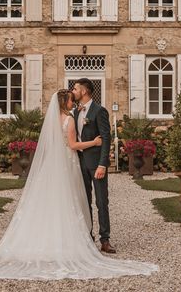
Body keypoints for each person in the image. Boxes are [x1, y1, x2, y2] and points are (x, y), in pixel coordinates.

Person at [0, 89, 157, 280]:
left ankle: (54, 239)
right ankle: (72, 241)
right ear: (66, 103)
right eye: (72, 100)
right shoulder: (70, 119)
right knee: (69, 200)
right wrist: (95, 142)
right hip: (69, 162)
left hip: (56, 164)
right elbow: (72, 144)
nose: (75, 102)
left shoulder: (56, 118)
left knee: (53, 200)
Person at [70, 77, 114, 253]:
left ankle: (105, 239)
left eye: (75, 89)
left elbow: (105, 138)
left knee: (101, 201)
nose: (73, 92)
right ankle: (88, 236)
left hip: (96, 164)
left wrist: (103, 164)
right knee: (84, 201)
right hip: (79, 163)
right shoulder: (74, 113)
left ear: (85, 91)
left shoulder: (99, 111)